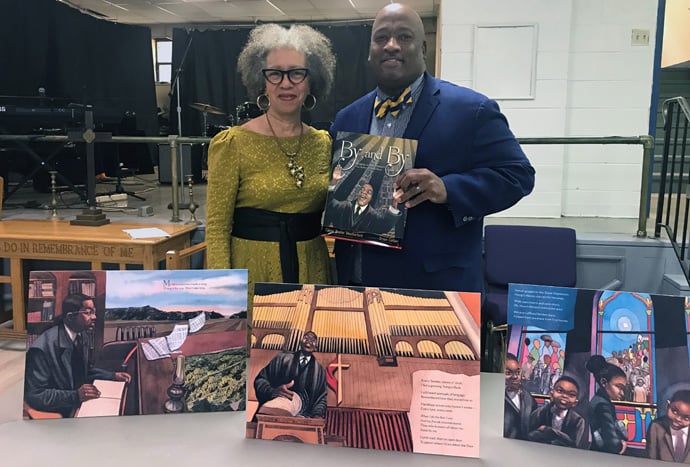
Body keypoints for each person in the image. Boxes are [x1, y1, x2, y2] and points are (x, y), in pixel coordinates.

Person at [329, 3, 535, 290]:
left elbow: (518, 176)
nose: (391, 45)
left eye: (404, 36)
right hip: (356, 284)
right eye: (381, 38)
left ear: (423, 48)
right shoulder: (346, 118)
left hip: (435, 287)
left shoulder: (471, 110)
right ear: (370, 51)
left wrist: (448, 188)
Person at [206, 24, 336, 287]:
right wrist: (224, 295)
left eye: (297, 73)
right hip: (252, 274)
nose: (286, 83)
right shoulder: (233, 143)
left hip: (311, 269)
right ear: (261, 81)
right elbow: (217, 229)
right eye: (275, 73)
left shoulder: (323, 144)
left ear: (312, 81)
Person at [24, 293, 131, 418]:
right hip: (61, 410)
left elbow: (85, 370)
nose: (94, 317)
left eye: (94, 311)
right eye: (88, 312)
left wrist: (112, 375)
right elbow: (34, 396)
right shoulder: (41, 350)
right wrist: (75, 395)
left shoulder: (81, 334)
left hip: (78, 402)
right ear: (70, 317)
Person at [253, 331, 327, 419]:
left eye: (313, 340)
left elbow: (321, 397)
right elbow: (260, 380)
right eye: (306, 338)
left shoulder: (320, 371)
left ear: (316, 346)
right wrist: (272, 391)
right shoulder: (281, 359)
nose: (309, 341)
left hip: (303, 418)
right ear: (300, 341)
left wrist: (317, 415)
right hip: (273, 412)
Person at [528, 376, 589, 449]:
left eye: (571, 394)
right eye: (560, 391)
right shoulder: (539, 413)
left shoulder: (578, 421)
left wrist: (549, 431)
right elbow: (530, 437)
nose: (564, 396)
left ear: (575, 403)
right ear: (551, 394)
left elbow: (574, 445)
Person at [586, 354, 629, 454]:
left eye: (623, 389)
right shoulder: (603, 405)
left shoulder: (598, 400)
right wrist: (620, 446)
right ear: (604, 382)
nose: (621, 393)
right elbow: (611, 440)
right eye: (619, 387)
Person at [646, 389, 690, 462]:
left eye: (686, 418)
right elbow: (651, 457)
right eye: (674, 411)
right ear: (668, 405)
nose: (678, 419)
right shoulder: (656, 426)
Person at [504, 353, 536, 440]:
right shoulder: (496, 398)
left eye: (517, 372)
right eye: (508, 373)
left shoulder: (528, 398)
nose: (515, 377)